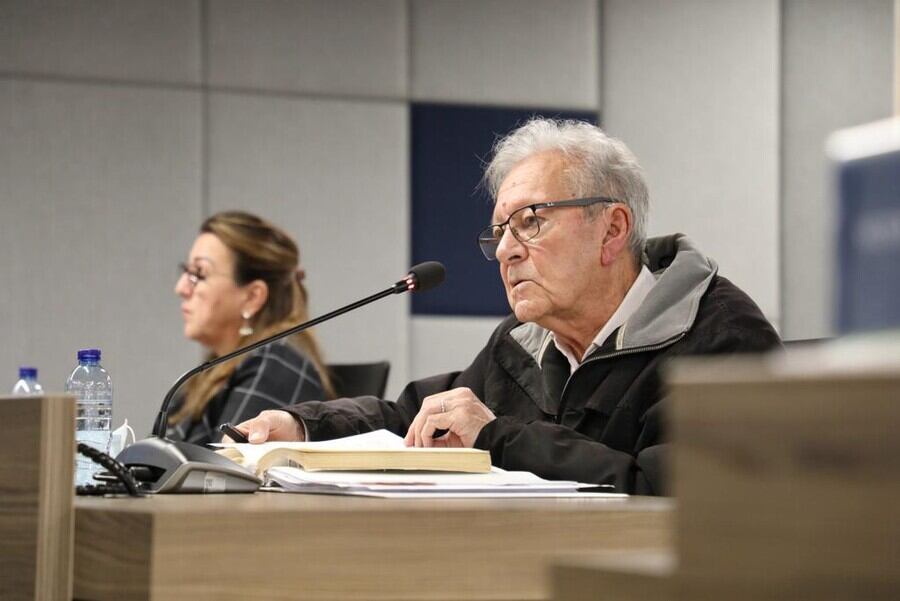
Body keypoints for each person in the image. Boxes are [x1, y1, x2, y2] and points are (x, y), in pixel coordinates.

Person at [232, 118, 781, 494]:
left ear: (612, 229)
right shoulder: (522, 343)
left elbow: (665, 491)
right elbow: (414, 418)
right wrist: (302, 426)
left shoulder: (719, 335)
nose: (505, 250)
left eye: (531, 221)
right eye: (499, 231)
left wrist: (498, 437)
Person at [168, 210, 334, 445]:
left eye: (199, 274)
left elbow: (226, 471)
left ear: (252, 297)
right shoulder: (210, 371)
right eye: (186, 272)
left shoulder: (276, 364)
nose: (181, 288)